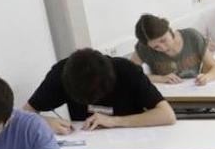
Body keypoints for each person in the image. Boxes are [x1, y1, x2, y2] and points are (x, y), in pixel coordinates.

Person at [25, 48, 175, 134]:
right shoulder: (61, 73)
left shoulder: (126, 71)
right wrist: (46, 122)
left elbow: (167, 115)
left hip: (128, 148)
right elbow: (23, 114)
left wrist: (114, 121)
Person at [131, 14, 215, 86]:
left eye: (163, 40)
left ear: (169, 30)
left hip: (194, 90)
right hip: (167, 99)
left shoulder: (192, 37)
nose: (163, 48)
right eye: (155, 47)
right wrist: (161, 79)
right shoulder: (144, 48)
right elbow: (131, 75)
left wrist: (206, 78)